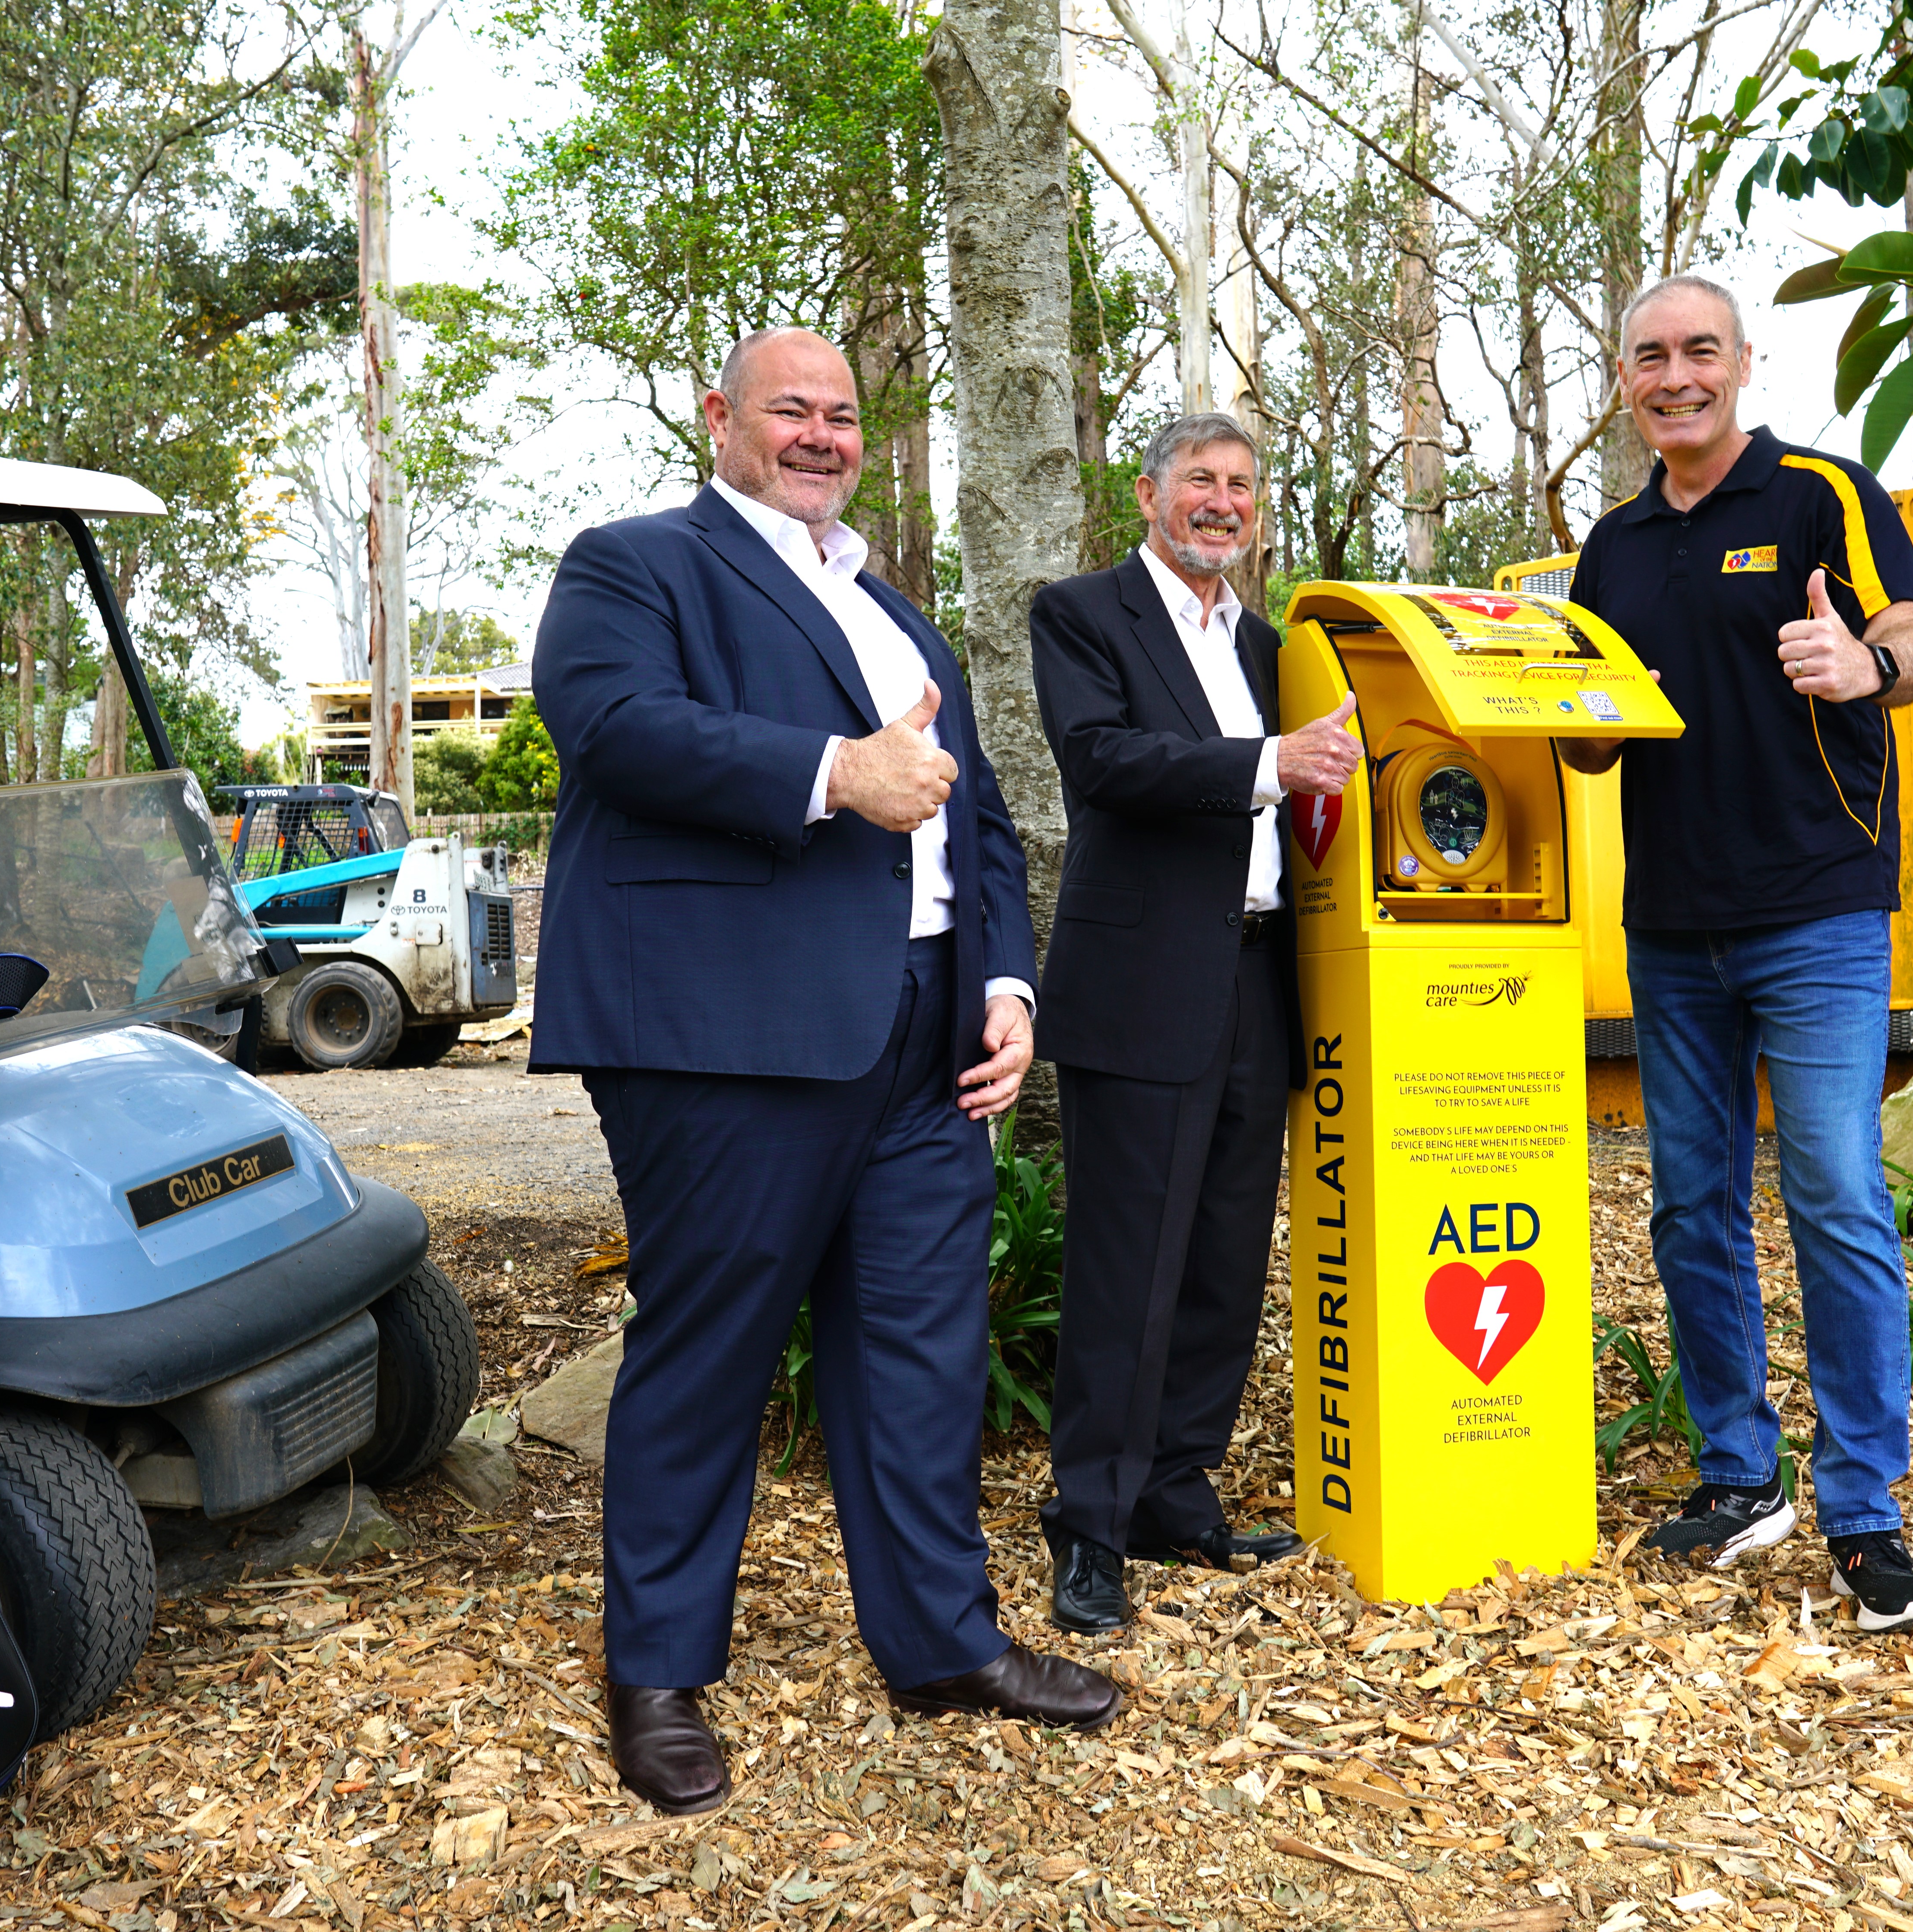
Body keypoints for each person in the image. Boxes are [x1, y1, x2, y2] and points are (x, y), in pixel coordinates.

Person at [530, 327, 1124, 1817]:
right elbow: (615, 730)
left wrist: (1004, 985)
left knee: (922, 1356)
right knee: (708, 1353)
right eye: (790, 409)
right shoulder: (634, 565)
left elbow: (978, 814)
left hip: (927, 1042)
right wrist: (835, 774)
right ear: (719, 417)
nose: (820, 435)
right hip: (728, 1037)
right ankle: (658, 1673)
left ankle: (941, 1645)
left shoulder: (892, 607)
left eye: (843, 416)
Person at [1560, 275, 1913, 1633]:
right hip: (1672, 923)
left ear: (1741, 363)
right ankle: (1741, 1476)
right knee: (1691, 1205)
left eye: (1700, 352)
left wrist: (1867, 670)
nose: (1675, 376)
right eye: (1650, 357)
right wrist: (1550, 712)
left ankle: (1866, 1514)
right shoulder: (1612, 546)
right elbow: (1595, 737)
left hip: (1817, 911)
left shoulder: (1819, 494)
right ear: (1626, 379)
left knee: (1835, 1191)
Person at [1023, 413, 1362, 1633]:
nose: (1223, 503)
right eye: (1201, 482)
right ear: (1148, 493)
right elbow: (1104, 761)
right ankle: (1090, 1523)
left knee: (1223, 1258)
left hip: (1261, 977)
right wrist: (1270, 762)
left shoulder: (1271, 646)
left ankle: (1175, 1492)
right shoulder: (1082, 613)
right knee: (1129, 1268)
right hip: (1141, 984)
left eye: (1241, 486)